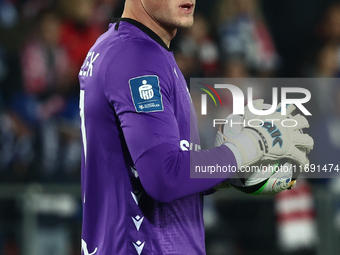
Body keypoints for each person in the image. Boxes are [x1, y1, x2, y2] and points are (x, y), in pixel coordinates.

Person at [78, 1, 313, 254]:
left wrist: (225, 171)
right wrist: (250, 145)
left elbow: (151, 166)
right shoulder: (138, 57)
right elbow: (163, 177)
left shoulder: (125, 46)